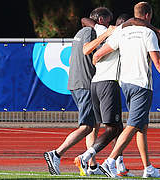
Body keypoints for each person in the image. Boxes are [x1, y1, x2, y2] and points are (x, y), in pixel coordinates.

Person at [92, 2, 160, 178]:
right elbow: (157, 62)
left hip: (125, 84)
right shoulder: (148, 33)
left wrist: (98, 68)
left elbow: (98, 54)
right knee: (133, 125)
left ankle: (148, 168)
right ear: (148, 16)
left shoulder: (122, 31)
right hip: (141, 85)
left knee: (142, 127)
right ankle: (110, 161)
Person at [43, 7, 113, 175]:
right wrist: (105, 35)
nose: (109, 25)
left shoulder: (82, 32)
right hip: (84, 84)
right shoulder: (90, 32)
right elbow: (87, 49)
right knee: (86, 127)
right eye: (108, 22)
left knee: (94, 124)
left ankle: (92, 165)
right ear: (101, 20)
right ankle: (56, 153)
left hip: (80, 82)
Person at [74, 14, 134, 177]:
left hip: (96, 84)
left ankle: (118, 163)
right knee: (112, 128)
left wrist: (106, 31)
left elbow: (85, 20)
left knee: (116, 126)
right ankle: (86, 157)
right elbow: (95, 54)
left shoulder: (104, 29)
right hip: (108, 83)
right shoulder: (122, 35)